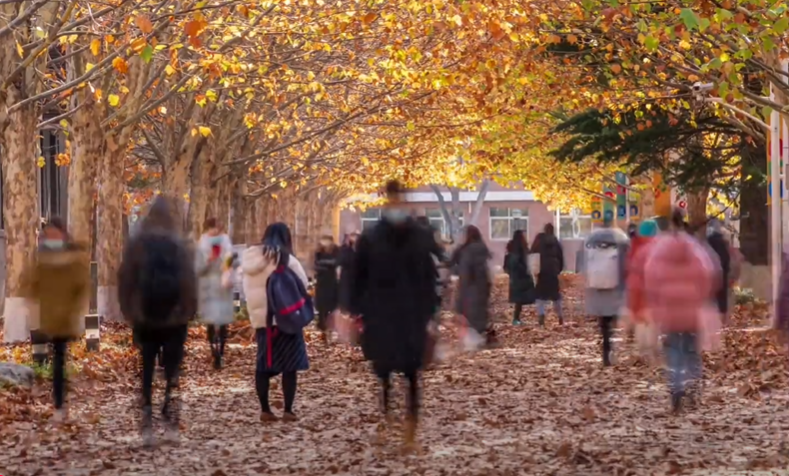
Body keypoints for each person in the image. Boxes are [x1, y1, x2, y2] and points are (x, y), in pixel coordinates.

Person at [349, 180, 437, 450]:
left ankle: (410, 430)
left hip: (411, 315)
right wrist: (356, 311)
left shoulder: (419, 236)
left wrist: (431, 312)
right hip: (381, 315)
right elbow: (358, 276)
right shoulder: (372, 236)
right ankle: (388, 422)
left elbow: (428, 277)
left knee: (411, 374)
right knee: (385, 374)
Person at [118, 196, 197, 446]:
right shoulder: (179, 244)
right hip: (174, 319)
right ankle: (171, 420)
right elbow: (189, 281)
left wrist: (129, 312)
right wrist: (188, 311)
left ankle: (147, 422)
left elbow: (126, 279)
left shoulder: (137, 243)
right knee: (172, 372)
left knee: (146, 370)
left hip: (146, 317)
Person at [643, 208, 718, 413]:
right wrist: (701, 298)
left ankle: (676, 389)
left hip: (669, 310)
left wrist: (656, 305)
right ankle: (693, 390)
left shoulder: (661, 249)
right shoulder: (694, 248)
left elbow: (650, 278)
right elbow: (707, 274)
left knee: (674, 352)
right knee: (692, 352)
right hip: (692, 311)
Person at [21, 217, 90, 422]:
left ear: (63, 234)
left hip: (64, 318)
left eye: (54, 234)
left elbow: (82, 286)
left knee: (59, 359)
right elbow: (30, 283)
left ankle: (60, 403)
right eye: (48, 234)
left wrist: (78, 312)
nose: (51, 238)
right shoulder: (41, 258)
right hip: (47, 317)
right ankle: (59, 398)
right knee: (49, 358)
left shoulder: (74, 258)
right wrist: (28, 305)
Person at [241, 223, 309, 422]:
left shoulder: (249, 258)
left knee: (263, 364)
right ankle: (288, 410)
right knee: (290, 365)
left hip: (262, 321)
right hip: (285, 317)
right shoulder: (286, 258)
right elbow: (303, 283)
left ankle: (265, 410)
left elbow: (246, 290)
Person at [582, 217, 630, 366]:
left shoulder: (591, 239)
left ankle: (605, 347)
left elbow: (584, 264)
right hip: (614, 286)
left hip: (596, 286)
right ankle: (609, 345)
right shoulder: (620, 238)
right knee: (612, 317)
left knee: (603, 322)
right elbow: (625, 265)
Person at [195, 217, 236, 369]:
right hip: (208, 286)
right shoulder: (202, 243)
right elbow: (198, 268)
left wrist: (227, 264)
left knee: (224, 320)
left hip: (224, 284)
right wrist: (209, 260)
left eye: (218, 228)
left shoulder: (225, 241)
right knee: (211, 321)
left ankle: (222, 351)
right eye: (213, 228)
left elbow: (232, 260)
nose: (216, 232)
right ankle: (214, 352)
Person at [454, 225, 494, 345]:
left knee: (469, 315)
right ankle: (483, 337)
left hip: (470, 289)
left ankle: (476, 341)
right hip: (482, 287)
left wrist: (460, 295)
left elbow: (465, 273)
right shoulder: (483, 249)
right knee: (480, 313)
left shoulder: (467, 252)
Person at [531, 223, 565, 326]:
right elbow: (561, 257)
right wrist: (558, 270)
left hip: (542, 270)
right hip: (553, 271)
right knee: (556, 295)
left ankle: (541, 314)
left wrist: (534, 269)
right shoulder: (555, 242)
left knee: (540, 295)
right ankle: (560, 316)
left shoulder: (539, 241)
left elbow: (532, 253)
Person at [504, 230, 535, 325]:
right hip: (522, 276)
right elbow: (525, 261)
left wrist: (510, 273)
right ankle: (516, 318)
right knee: (521, 299)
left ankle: (516, 318)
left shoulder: (510, 248)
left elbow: (506, 266)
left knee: (519, 300)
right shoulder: (522, 248)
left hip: (514, 277)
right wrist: (526, 270)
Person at [314, 235, 340, 342]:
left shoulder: (336, 250)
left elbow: (336, 262)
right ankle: (323, 328)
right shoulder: (318, 252)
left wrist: (324, 265)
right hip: (321, 282)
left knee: (332, 306)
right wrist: (327, 265)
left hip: (332, 282)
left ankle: (332, 329)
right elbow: (316, 265)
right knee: (322, 307)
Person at [706, 219, 731, 317]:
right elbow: (725, 257)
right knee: (722, 292)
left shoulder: (708, 240)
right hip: (721, 270)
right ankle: (722, 313)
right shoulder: (721, 241)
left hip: (711, 269)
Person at [338, 230, 359, 313]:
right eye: (352, 236)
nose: (354, 238)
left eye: (355, 236)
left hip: (357, 275)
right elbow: (341, 261)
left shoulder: (360, 248)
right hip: (347, 275)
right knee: (346, 295)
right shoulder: (345, 249)